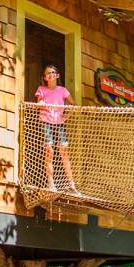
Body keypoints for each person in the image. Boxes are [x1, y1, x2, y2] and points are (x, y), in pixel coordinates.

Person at [35, 64, 80, 194]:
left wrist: (66, 116)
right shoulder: (41, 89)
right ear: (45, 78)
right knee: (49, 151)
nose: (51, 74)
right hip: (46, 122)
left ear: (57, 75)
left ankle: (72, 185)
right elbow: (39, 103)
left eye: (53, 72)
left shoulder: (62, 90)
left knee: (63, 151)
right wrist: (42, 104)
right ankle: (51, 183)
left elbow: (73, 104)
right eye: (48, 73)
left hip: (59, 122)